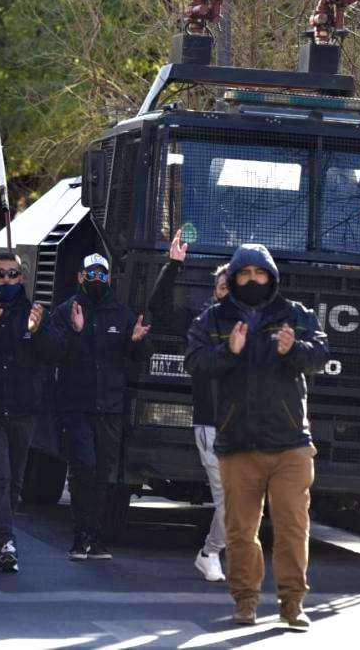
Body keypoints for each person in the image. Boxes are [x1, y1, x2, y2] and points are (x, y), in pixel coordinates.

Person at [186, 243, 328, 630]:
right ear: (233, 279)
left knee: (293, 527)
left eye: (259, 274)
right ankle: (245, 602)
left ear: (271, 277)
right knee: (240, 532)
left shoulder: (295, 314)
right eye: (244, 274)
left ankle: (292, 604)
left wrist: (293, 349)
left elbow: (321, 353)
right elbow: (195, 361)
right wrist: (228, 351)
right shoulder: (214, 319)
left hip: (290, 444)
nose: (252, 280)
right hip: (237, 443)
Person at [51, 253, 151, 561]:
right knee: (84, 466)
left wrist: (136, 341)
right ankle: (80, 536)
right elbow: (54, 354)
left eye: (102, 274)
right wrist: (75, 332)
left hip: (110, 407)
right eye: (91, 274)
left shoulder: (122, 314)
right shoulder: (66, 311)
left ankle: (95, 538)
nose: (97, 279)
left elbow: (136, 359)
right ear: (80, 276)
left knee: (102, 472)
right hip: (76, 405)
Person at [146, 230, 230, 582]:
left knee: (246, 502)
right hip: (211, 425)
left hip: (250, 428)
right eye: (224, 286)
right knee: (232, 501)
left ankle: (216, 552)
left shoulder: (261, 324)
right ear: (215, 291)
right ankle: (210, 552)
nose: (231, 291)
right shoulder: (202, 322)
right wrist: (172, 266)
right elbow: (160, 310)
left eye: (238, 285)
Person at [0, 252, 62, 572]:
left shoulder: (36, 311)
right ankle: (4, 537)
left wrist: (38, 331)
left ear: (22, 278)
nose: (7, 280)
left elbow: (55, 353)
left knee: (13, 480)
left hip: (24, 410)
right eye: (0, 275)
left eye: (13, 274)